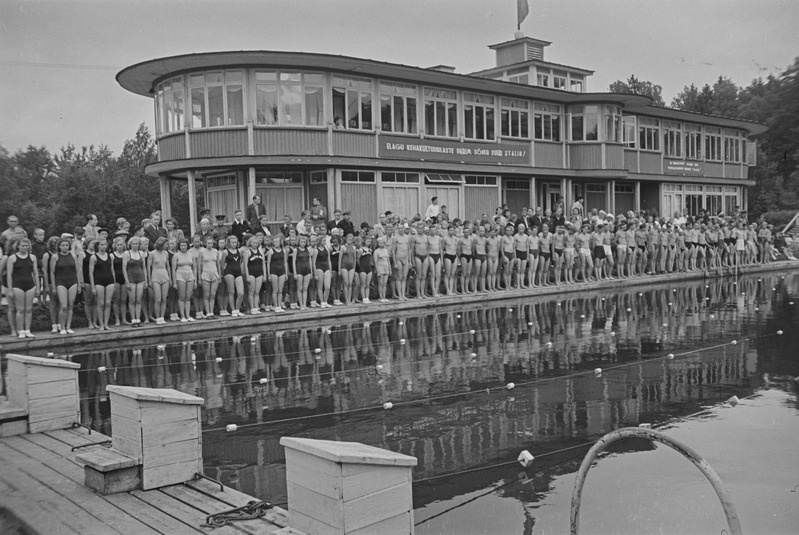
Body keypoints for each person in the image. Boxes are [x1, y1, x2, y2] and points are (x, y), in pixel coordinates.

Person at [6, 238, 39, 338]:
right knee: (20, 309)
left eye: (26, 245)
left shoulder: (32, 257)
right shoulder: (12, 258)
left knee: (28, 309)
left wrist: (37, 287)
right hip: (17, 286)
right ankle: (20, 331)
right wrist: (10, 289)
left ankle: (27, 330)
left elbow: (36, 273)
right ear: (18, 246)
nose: (25, 247)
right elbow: (9, 275)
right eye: (23, 245)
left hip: (30, 285)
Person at [51, 237, 81, 334]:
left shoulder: (73, 256)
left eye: (67, 245)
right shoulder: (55, 257)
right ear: (59, 246)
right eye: (63, 245)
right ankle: (62, 327)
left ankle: (68, 327)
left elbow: (77, 271)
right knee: (63, 306)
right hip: (61, 282)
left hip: (72, 282)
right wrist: (54, 286)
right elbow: (52, 273)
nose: (65, 247)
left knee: (70, 305)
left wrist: (79, 285)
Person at [89, 238, 115, 331]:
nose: (104, 246)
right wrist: (92, 286)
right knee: (101, 303)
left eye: (105, 244)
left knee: (108, 303)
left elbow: (112, 270)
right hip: (99, 281)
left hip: (109, 280)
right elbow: (91, 273)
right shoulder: (94, 257)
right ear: (98, 246)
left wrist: (114, 282)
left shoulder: (110, 256)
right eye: (101, 245)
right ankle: (101, 325)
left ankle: (106, 324)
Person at [123, 236, 148, 327]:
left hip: (140, 278)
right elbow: (124, 268)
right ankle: (133, 320)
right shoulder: (127, 253)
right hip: (131, 278)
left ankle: (138, 319)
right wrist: (127, 281)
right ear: (130, 244)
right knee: (132, 300)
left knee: (138, 300)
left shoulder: (141, 253)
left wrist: (145, 280)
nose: (135, 245)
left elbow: (144, 267)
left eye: (137, 244)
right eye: (133, 244)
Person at [172, 238, 197, 322]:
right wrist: (174, 282)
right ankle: (182, 316)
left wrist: (195, 280)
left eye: (185, 245)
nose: (183, 247)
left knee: (188, 297)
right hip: (180, 274)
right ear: (179, 246)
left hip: (190, 274)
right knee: (182, 297)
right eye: (181, 245)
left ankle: (188, 315)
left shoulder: (191, 255)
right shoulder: (176, 255)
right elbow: (173, 269)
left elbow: (194, 268)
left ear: (187, 246)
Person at [148, 237, 172, 324]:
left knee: (164, 298)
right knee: (157, 299)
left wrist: (170, 278)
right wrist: (149, 279)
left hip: (164, 274)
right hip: (155, 274)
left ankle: (162, 317)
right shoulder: (152, 253)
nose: (167, 246)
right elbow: (148, 267)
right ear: (161, 244)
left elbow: (168, 266)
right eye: (166, 244)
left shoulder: (166, 253)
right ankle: (157, 317)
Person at [242, 235, 265, 315]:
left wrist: (264, 275)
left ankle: (256, 307)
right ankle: (252, 307)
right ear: (250, 243)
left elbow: (263, 264)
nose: (255, 244)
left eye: (256, 243)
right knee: (251, 292)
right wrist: (247, 276)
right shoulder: (247, 252)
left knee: (257, 292)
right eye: (253, 243)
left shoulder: (261, 251)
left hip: (259, 273)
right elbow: (245, 265)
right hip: (251, 273)